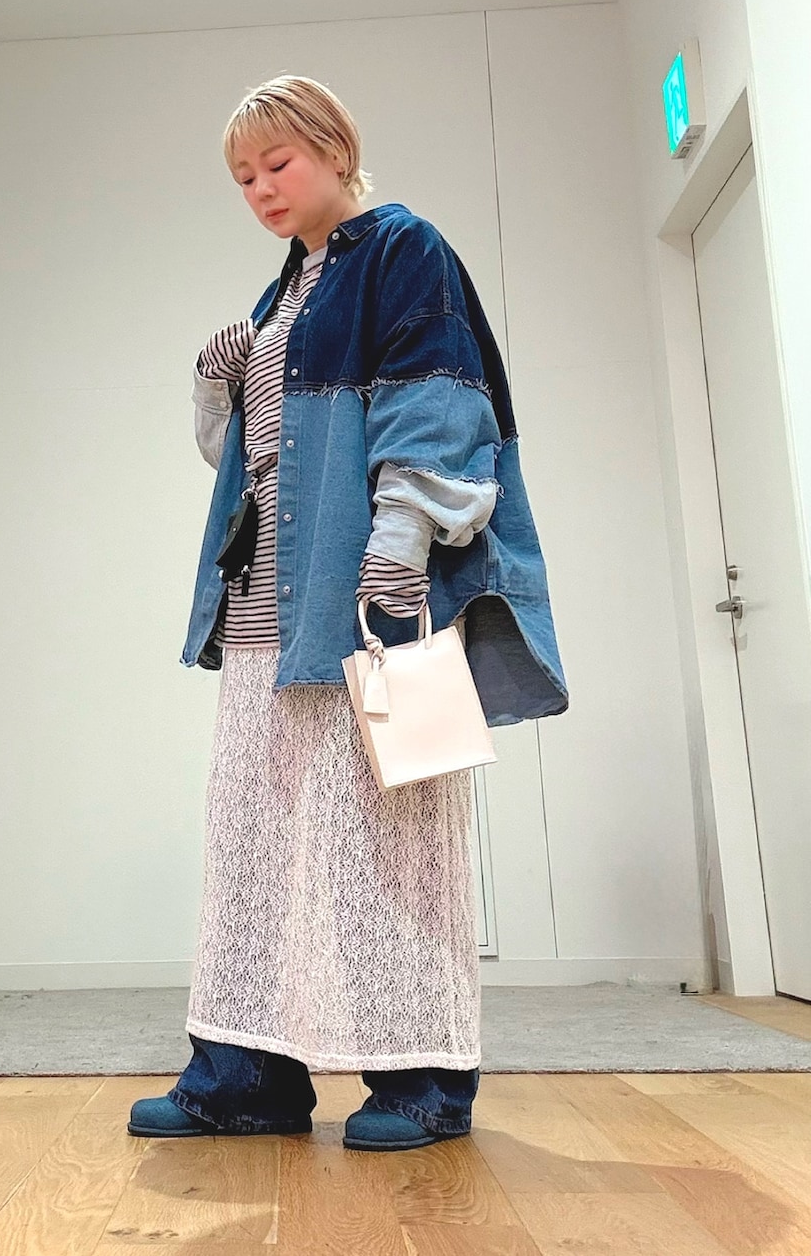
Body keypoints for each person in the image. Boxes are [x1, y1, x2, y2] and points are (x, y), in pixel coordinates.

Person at [128, 75, 567, 1153]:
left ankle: (423, 1081)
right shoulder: (282, 294)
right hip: (264, 614)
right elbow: (250, 465)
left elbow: (439, 406)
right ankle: (245, 1076)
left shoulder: (400, 250)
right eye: (243, 177)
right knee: (254, 845)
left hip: (367, 598)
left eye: (276, 163)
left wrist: (400, 543)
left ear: (334, 146)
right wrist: (217, 385)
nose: (261, 190)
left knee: (388, 846)